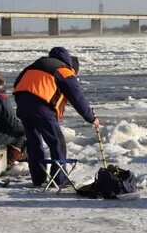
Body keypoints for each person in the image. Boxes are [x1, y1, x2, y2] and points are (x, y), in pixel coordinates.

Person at [13, 47, 99, 188]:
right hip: (42, 109)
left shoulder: (33, 66)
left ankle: (39, 179)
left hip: (23, 107)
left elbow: (18, 85)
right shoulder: (64, 71)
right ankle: (59, 180)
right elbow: (77, 98)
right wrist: (91, 118)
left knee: (34, 144)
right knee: (57, 143)